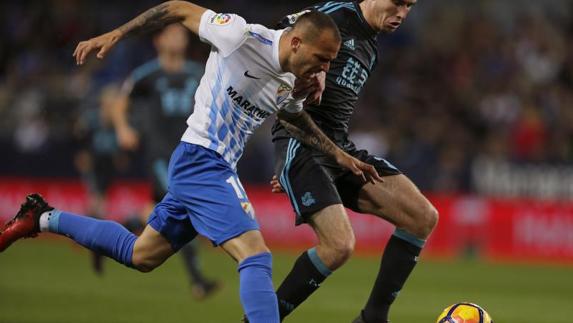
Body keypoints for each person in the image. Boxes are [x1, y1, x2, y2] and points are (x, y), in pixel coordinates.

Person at [0, 1, 382, 322]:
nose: (324, 71)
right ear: (297, 42)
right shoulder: (240, 36)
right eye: (321, 60)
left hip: (206, 166)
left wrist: (339, 156)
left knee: (141, 254)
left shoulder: (290, 80)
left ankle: (42, 217)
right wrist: (116, 34)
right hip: (203, 160)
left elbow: (294, 118)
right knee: (256, 256)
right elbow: (176, 8)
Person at [267, 1, 439, 323]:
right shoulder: (336, 15)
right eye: (398, 2)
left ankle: (372, 318)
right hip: (300, 142)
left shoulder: (370, 47)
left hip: (340, 149)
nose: (402, 13)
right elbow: (274, 34)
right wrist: (288, 165)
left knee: (422, 217)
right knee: (340, 246)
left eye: (410, 5)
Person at [112, 23, 219, 299]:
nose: (177, 38)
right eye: (171, 34)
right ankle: (198, 282)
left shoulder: (198, 73)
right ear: (158, 41)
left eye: (181, 35)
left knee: (154, 210)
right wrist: (123, 128)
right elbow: (120, 102)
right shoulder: (147, 75)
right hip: (161, 155)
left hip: (191, 154)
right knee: (185, 203)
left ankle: (114, 232)